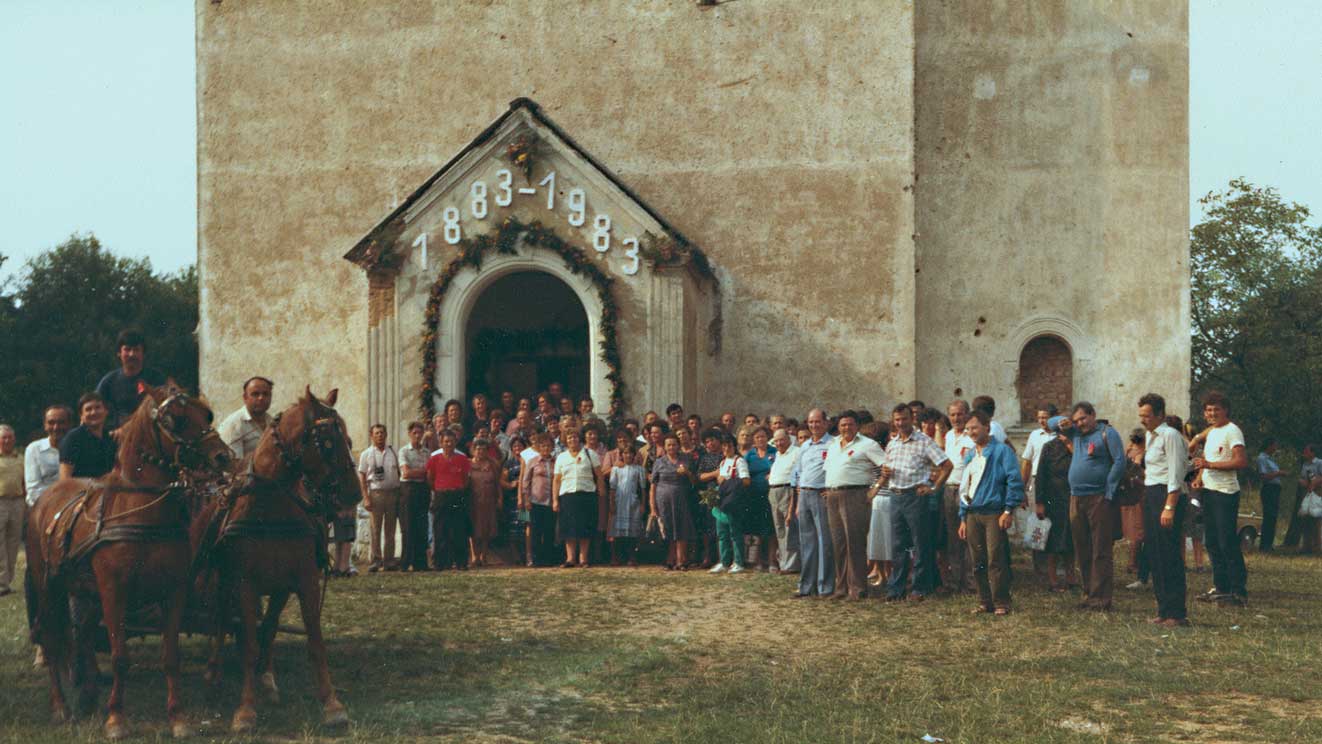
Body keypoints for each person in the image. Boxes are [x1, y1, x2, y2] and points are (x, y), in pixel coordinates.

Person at [879, 404, 952, 602]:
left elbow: (946, 465)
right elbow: (887, 467)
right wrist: (885, 473)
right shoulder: (893, 443)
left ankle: (920, 588)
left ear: (912, 419)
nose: (901, 423)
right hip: (895, 496)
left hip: (915, 497)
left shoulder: (924, 441)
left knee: (921, 544)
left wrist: (933, 487)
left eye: (904, 419)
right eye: (897, 420)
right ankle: (897, 589)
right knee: (898, 545)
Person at [957, 411, 1024, 615]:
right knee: (976, 559)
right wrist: (962, 517)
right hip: (972, 514)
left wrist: (1008, 510)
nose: (971, 432)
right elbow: (965, 487)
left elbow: (1014, 480)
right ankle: (984, 600)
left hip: (994, 512)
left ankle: (1001, 601)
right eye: (968, 429)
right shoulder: (970, 454)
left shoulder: (1002, 451)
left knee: (995, 557)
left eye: (975, 427)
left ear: (987, 427)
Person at [1189, 391, 1248, 606]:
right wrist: (1200, 477)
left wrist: (1209, 466)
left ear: (1226, 411)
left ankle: (1239, 591)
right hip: (1209, 492)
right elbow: (1208, 458)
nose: (1213, 413)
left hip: (1226, 494)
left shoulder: (1233, 431)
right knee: (1212, 542)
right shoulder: (1213, 431)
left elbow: (1240, 462)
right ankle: (1221, 587)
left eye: (1217, 410)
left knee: (1227, 542)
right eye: (1209, 410)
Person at [1067, 401, 1126, 611]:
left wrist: (1109, 488)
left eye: (1083, 418)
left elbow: (1120, 461)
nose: (1080, 423)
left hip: (1099, 497)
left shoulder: (1107, 433)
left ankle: (1101, 598)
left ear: (1093, 415)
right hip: (1076, 497)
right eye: (1076, 420)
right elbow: (1055, 423)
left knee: (1100, 549)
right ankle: (1088, 593)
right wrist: (1069, 424)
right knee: (1082, 547)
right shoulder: (1076, 435)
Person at [823, 410, 888, 600]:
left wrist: (875, 489)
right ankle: (841, 587)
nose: (846, 428)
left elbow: (886, 468)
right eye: (843, 425)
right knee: (838, 543)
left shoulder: (868, 444)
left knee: (855, 543)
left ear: (857, 426)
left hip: (856, 494)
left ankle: (858, 588)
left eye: (850, 424)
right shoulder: (834, 443)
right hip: (834, 495)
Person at [1138, 393, 1190, 627]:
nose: (1143, 420)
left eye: (1147, 416)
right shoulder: (1151, 436)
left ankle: (1177, 613)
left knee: (1169, 554)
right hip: (1151, 494)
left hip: (1166, 496)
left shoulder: (1171, 435)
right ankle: (1163, 609)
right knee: (1155, 553)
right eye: (1141, 416)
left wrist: (1169, 506)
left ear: (1160, 414)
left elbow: (1176, 473)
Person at [788, 409, 834, 599]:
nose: (814, 425)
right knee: (807, 543)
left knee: (824, 542)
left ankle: (825, 587)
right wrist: (798, 502)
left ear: (826, 423)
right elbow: (798, 472)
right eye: (811, 422)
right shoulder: (805, 446)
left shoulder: (833, 444)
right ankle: (806, 586)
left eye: (818, 422)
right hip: (805, 495)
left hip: (821, 495)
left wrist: (830, 489)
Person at [1033, 416, 1079, 592]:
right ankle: (1053, 579)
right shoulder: (1049, 447)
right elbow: (1041, 476)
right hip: (1053, 499)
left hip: (1072, 498)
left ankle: (1070, 577)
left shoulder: (1076, 445)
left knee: (1070, 539)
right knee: (1052, 541)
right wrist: (1039, 502)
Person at [95, 328, 168, 430]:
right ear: (119, 353)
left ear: (143, 353)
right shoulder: (108, 382)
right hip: (118, 437)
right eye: (127, 349)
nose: (132, 354)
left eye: (136, 350)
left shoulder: (156, 378)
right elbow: (95, 409)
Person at [553, 428, 603, 568]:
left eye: (575, 437)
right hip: (567, 495)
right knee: (568, 528)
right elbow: (557, 480)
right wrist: (555, 500)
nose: (572, 440)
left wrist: (601, 491)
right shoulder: (561, 457)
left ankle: (583, 559)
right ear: (565, 440)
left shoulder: (590, 453)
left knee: (584, 528)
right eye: (569, 438)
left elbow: (598, 475)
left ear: (579, 439)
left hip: (586, 494)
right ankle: (570, 559)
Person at [426, 430, 472, 570]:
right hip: (441, 496)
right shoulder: (434, 458)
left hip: (457, 495)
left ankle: (461, 562)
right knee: (440, 530)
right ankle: (441, 563)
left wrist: (457, 489)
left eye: (451, 441)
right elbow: (430, 478)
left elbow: (466, 479)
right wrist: (439, 489)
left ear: (455, 442)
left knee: (459, 530)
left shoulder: (462, 459)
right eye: (446, 441)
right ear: (441, 443)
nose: (449, 444)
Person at [358, 424, 401, 572]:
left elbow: (400, 472)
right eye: (376, 433)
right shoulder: (366, 454)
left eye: (382, 433)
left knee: (391, 529)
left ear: (386, 434)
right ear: (371, 436)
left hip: (392, 494)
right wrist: (366, 498)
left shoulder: (393, 452)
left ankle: (389, 560)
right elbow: (362, 476)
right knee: (375, 529)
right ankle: (376, 560)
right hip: (375, 495)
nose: (380, 436)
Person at [650, 434, 697, 571]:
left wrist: (687, 472)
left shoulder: (686, 459)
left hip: (681, 498)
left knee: (681, 527)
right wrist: (653, 507)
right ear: (664, 447)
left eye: (674, 444)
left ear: (678, 445)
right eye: (668, 445)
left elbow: (694, 481)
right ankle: (670, 559)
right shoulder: (659, 462)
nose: (671, 447)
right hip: (663, 500)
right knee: (667, 528)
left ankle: (681, 560)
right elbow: (653, 485)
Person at [942, 399, 975, 593]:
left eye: (960, 414)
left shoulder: (971, 435)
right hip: (949, 489)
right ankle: (955, 581)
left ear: (967, 414)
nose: (956, 418)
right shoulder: (947, 436)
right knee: (953, 538)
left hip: (967, 491)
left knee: (969, 537)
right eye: (953, 414)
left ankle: (971, 583)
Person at [710, 433, 751, 574]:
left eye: (729, 445)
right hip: (722, 503)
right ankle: (724, 562)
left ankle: (738, 562)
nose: (727, 448)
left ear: (734, 447)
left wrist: (727, 481)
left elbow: (746, 481)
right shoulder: (722, 462)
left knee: (735, 533)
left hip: (733, 503)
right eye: (724, 446)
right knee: (722, 533)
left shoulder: (739, 461)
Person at [398, 421, 431, 572]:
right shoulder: (404, 451)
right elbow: (406, 473)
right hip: (408, 489)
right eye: (415, 433)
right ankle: (405, 562)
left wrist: (419, 472)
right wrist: (422, 472)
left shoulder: (426, 452)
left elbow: (430, 473)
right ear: (410, 434)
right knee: (408, 526)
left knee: (421, 527)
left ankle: (420, 563)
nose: (418, 436)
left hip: (422, 489)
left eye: (420, 433)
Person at [766, 428, 801, 573]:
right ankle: (783, 563)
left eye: (781, 440)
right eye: (776, 441)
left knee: (789, 527)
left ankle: (791, 565)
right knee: (779, 529)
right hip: (774, 492)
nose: (779, 443)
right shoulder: (777, 455)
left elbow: (796, 474)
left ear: (788, 439)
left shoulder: (796, 452)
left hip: (788, 491)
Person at [468, 438, 507, 566]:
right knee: (473, 529)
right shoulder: (468, 464)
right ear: (473, 450)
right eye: (478, 449)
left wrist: (500, 498)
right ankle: (475, 557)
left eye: (483, 449)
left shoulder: (492, 464)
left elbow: (498, 483)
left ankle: (483, 556)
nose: (480, 451)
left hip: (489, 500)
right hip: (473, 500)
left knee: (486, 529)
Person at [59, 393, 116, 480]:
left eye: (98, 407)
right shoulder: (73, 438)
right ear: (81, 415)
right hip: (81, 492)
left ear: (106, 411)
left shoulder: (111, 438)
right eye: (88, 409)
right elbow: (65, 479)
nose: (93, 412)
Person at [520, 435, 557, 567]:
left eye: (548, 446)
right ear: (539, 447)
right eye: (543, 446)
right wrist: (526, 499)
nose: (546, 448)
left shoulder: (556, 461)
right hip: (536, 500)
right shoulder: (533, 461)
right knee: (536, 531)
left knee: (549, 531)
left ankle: (547, 559)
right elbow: (525, 481)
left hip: (551, 501)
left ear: (552, 447)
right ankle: (536, 560)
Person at [24, 405, 72, 507]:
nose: (56, 427)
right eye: (51, 423)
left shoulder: (77, 448)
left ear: (69, 424)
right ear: (45, 425)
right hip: (42, 509)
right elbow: (33, 490)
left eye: (61, 422)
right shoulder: (34, 449)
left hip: (72, 507)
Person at [743, 427, 777, 571]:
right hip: (754, 496)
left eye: (763, 437)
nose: (760, 440)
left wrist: (772, 473)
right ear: (753, 440)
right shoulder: (749, 455)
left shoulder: (774, 452)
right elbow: (743, 471)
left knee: (770, 529)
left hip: (770, 494)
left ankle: (772, 561)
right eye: (757, 437)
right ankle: (758, 561)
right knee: (757, 529)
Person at [218, 376, 274, 460]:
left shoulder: (272, 422)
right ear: (245, 397)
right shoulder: (233, 425)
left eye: (265, 394)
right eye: (255, 394)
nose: (261, 398)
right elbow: (234, 466)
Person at [607, 445, 646, 565]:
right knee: (616, 531)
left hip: (633, 502)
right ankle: (615, 557)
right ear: (621, 455)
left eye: (630, 453)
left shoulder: (639, 469)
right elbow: (612, 488)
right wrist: (612, 503)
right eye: (625, 453)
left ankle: (632, 557)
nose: (628, 455)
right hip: (619, 502)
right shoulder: (616, 469)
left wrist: (643, 504)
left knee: (632, 531)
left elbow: (643, 488)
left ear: (634, 455)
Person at [0, 424, 23, 597]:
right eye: (3, 437)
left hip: (17, 503)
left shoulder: (20, 458)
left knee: (13, 543)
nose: (7, 440)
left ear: (14, 439)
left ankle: (7, 581)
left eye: (9, 437)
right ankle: (1, 584)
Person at [1255, 437, 1283, 553]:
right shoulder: (1262, 459)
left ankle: (1269, 544)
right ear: (1269, 446)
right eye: (1274, 445)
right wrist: (1278, 473)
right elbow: (1263, 476)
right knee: (1269, 516)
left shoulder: (1271, 459)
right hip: (1269, 489)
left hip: (1275, 490)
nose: (1275, 448)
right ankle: (1264, 545)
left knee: (1273, 517)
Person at [1294, 444, 1322, 554]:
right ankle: (1306, 546)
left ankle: (1317, 547)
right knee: (1306, 518)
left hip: (1318, 493)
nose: (1304, 453)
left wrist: (1315, 483)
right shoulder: (1305, 465)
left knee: (1317, 520)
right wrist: (1303, 482)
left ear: (1312, 453)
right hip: (1307, 493)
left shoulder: (1319, 463)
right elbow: (1302, 478)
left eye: (1306, 451)